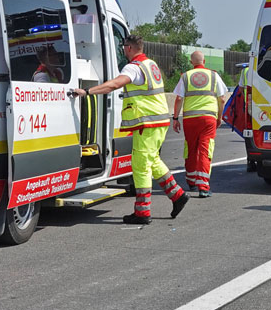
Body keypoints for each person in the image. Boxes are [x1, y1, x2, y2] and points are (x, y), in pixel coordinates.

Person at [71, 34, 187, 224]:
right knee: (153, 160)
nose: (123, 50)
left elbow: (115, 84)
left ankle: (142, 213)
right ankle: (178, 196)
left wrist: (87, 91)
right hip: (158, 120)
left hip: (146, 123)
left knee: (140, 166)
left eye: (124, 47)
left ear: (129, 48)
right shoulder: (151, 64)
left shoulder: (133, 67)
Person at [171, 51, 228, 197]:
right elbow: (221, 99)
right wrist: (219, 117)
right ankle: (203, 186)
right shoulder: (214, 76)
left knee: (190, 148)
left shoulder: (185, 76)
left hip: (190, 119)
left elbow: (178, 99)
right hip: (208, 118)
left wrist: (175, 118)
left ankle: (191, 181)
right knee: (205, 150)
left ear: (191, 63)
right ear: (204, 61)